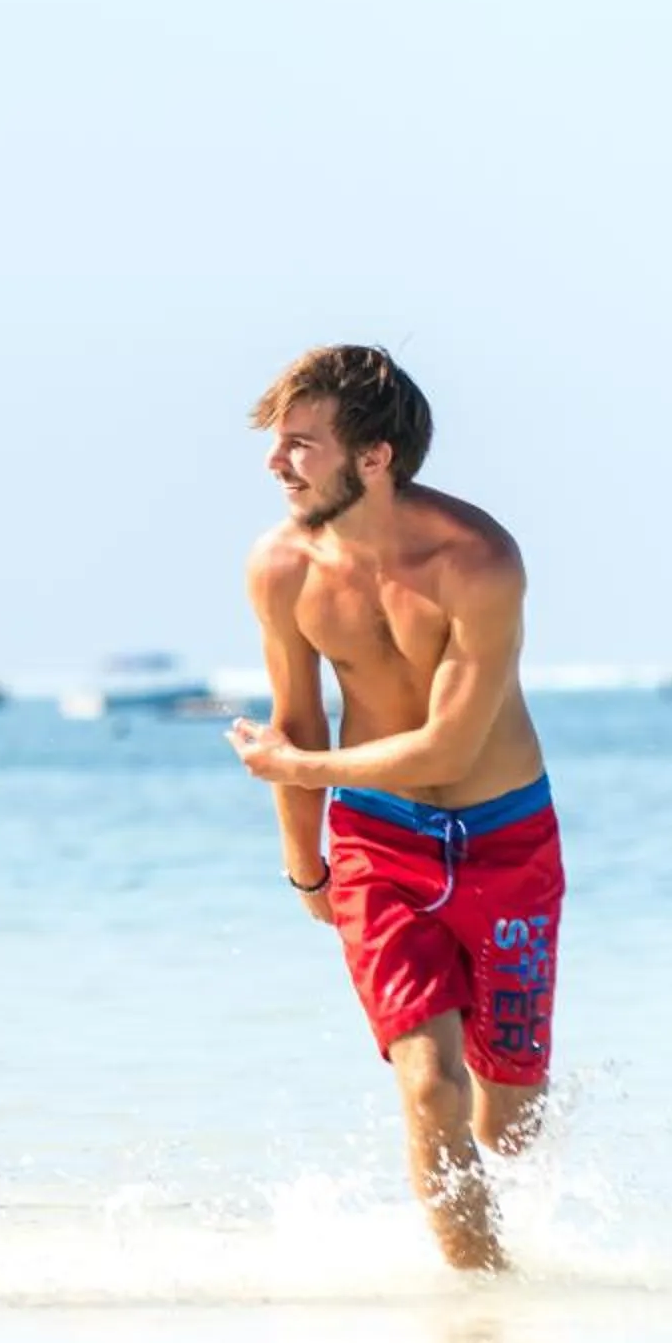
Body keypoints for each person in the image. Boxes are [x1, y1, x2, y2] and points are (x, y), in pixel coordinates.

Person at [225, 345, 562, 1271]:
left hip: (507, 839)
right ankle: (480, 1311)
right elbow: (294, 718)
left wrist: (299, 765)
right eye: (277, 443)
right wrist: (308, 869)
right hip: (378, 844)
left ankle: (529, 1262)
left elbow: (449, 744)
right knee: (430, 1085)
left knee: (511, 1119)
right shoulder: (281, 568)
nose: (275, 464)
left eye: (300, 444)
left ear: (373, 458)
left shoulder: (477, 563)